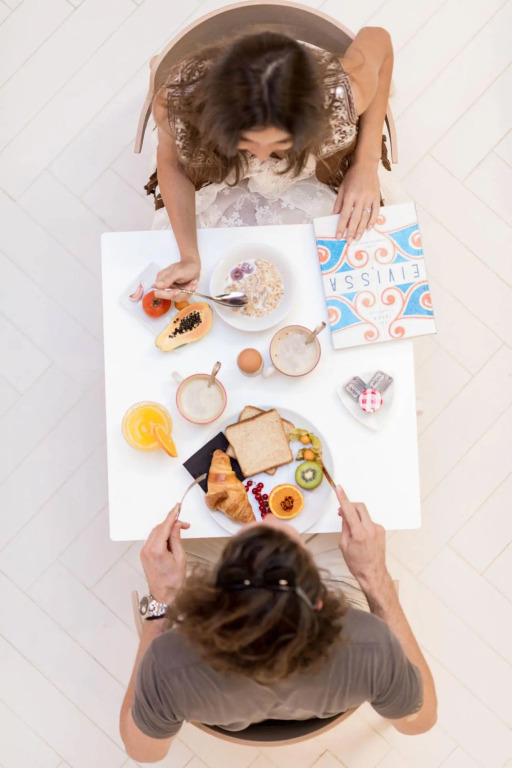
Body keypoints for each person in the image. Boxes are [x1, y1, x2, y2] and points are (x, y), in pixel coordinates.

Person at [120, 487, 437, 763]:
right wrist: (374, 576)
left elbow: (143, 752)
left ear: (212, 600)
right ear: (320, 601)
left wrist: (161, 600)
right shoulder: (371, 645)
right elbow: (418, 722)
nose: (269, 518)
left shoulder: (170, 663)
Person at [146, 27, 395, 301]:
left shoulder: (342, 93)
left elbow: (379, 39)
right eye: (247, 142)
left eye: (281, 142)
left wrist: (366, 162)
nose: (263, 156)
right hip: (220, 163)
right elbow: (172, 164)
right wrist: (189, 257)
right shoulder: (176, 105)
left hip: (308, 157)